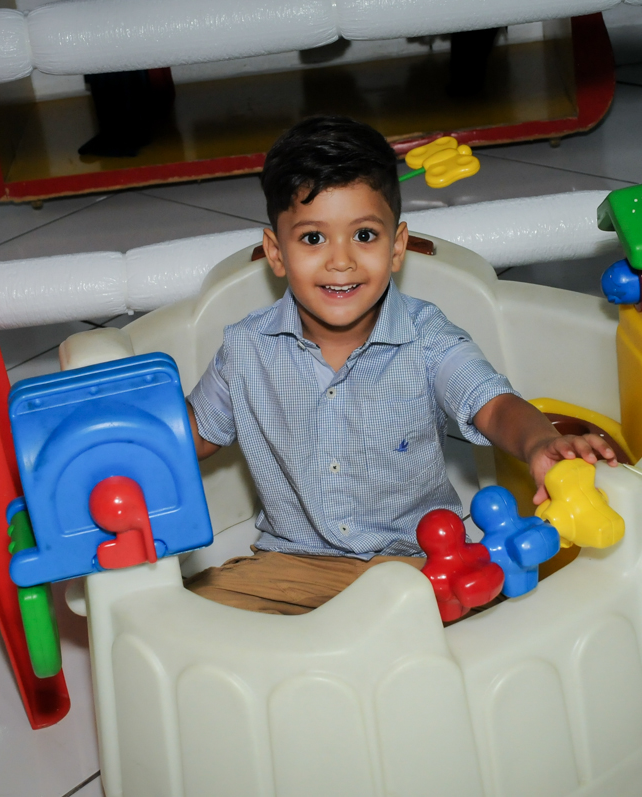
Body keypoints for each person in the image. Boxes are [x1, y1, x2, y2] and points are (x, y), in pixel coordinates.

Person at [183, 116, 616, 616]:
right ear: (276, 253)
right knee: (194, 621)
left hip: (417, 565)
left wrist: (541, 443)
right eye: (313, 239)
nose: (340, 261)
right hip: (291, 565)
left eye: (364, 235)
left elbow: (493, 406)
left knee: (466, 637)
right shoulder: (246, 350)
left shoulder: (427, 338)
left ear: (397, 247)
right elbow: (193, 433)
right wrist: (121, 454)